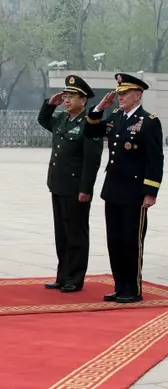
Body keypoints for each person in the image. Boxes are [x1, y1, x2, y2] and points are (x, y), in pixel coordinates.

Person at [84, 73, 164, 303]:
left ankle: (133, 288)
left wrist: (151, 192)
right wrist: (99, 107)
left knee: (131, 241)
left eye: (125, 93)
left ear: (137, 95)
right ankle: (119, 287)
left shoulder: (149, 121)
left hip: (135, 192)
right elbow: (91, 131)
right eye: (118, 93)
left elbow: (155, 159)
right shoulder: (116, 116)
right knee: (115, 240)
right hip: (114, 189)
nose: (120, 97)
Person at [37, 75, 103, 292]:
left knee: (76, 233)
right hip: (58, 184)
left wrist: (86, 189)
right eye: (65, 96)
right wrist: (50, 104)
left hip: (76, 188)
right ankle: (62, 275)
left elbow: (92, 161)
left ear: (83, 100)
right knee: (62, 234)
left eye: (72, 96)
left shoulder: (88, 124)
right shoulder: (63, 120)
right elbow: (44, 120)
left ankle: (75, 278)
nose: (67, 100)